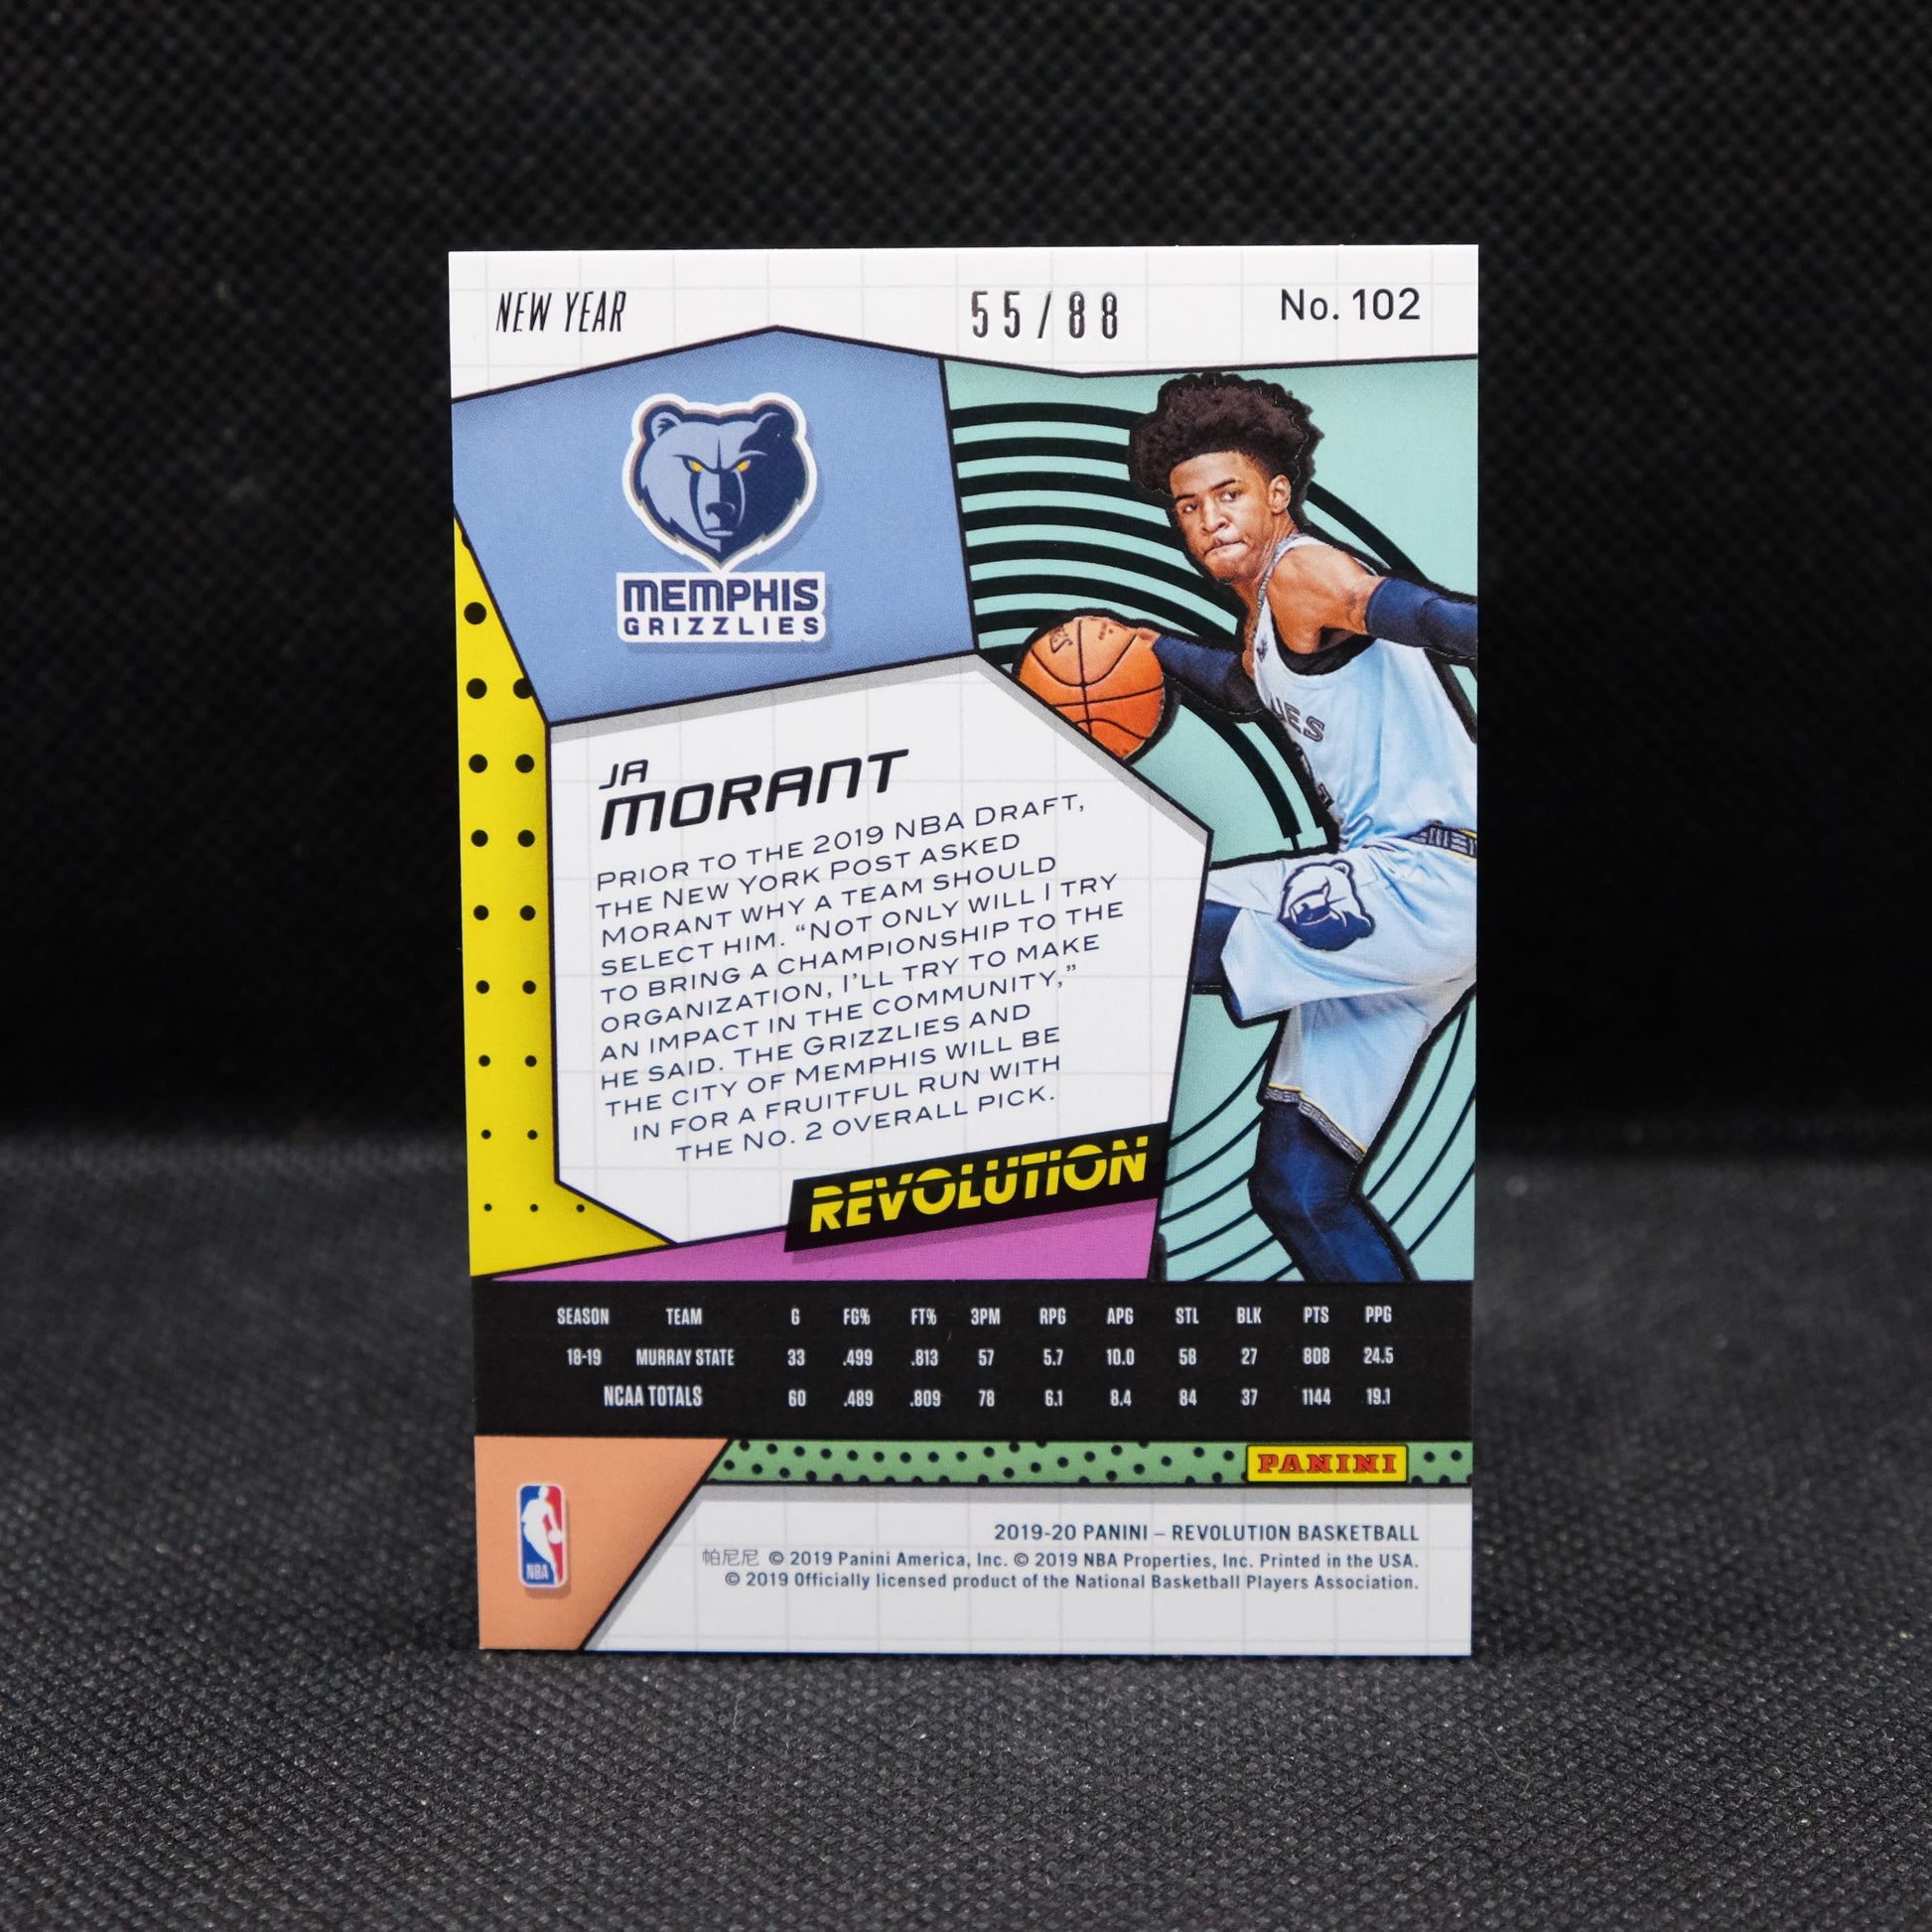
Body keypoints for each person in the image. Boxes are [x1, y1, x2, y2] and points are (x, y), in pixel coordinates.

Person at [1124, 373, 1477, 1282]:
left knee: (1128, 928)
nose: (1210, 519)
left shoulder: (1302, 572)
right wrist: (1150, 647)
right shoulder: (1267, 613)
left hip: (1424, 881)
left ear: (1277, 493)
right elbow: (1247, 690)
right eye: (1189, 506)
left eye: (1229, 493)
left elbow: (1428, 616)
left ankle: (1098, 1248)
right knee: (1300, 1189)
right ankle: (1400, 1358)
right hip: (1413, 909)